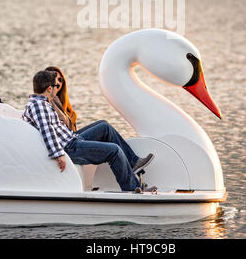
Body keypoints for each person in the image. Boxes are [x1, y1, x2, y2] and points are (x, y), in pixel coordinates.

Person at [22, 70, 155, 192]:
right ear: (49, 88)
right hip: (68, 148)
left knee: (104, 126)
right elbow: (47, 131)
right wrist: (58, 154)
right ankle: (133, 188)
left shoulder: (41, 103)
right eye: (56, 86)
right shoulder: (39, 106)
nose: (58, 89)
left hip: (72, 139)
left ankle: (133, 163)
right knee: (114, 151)